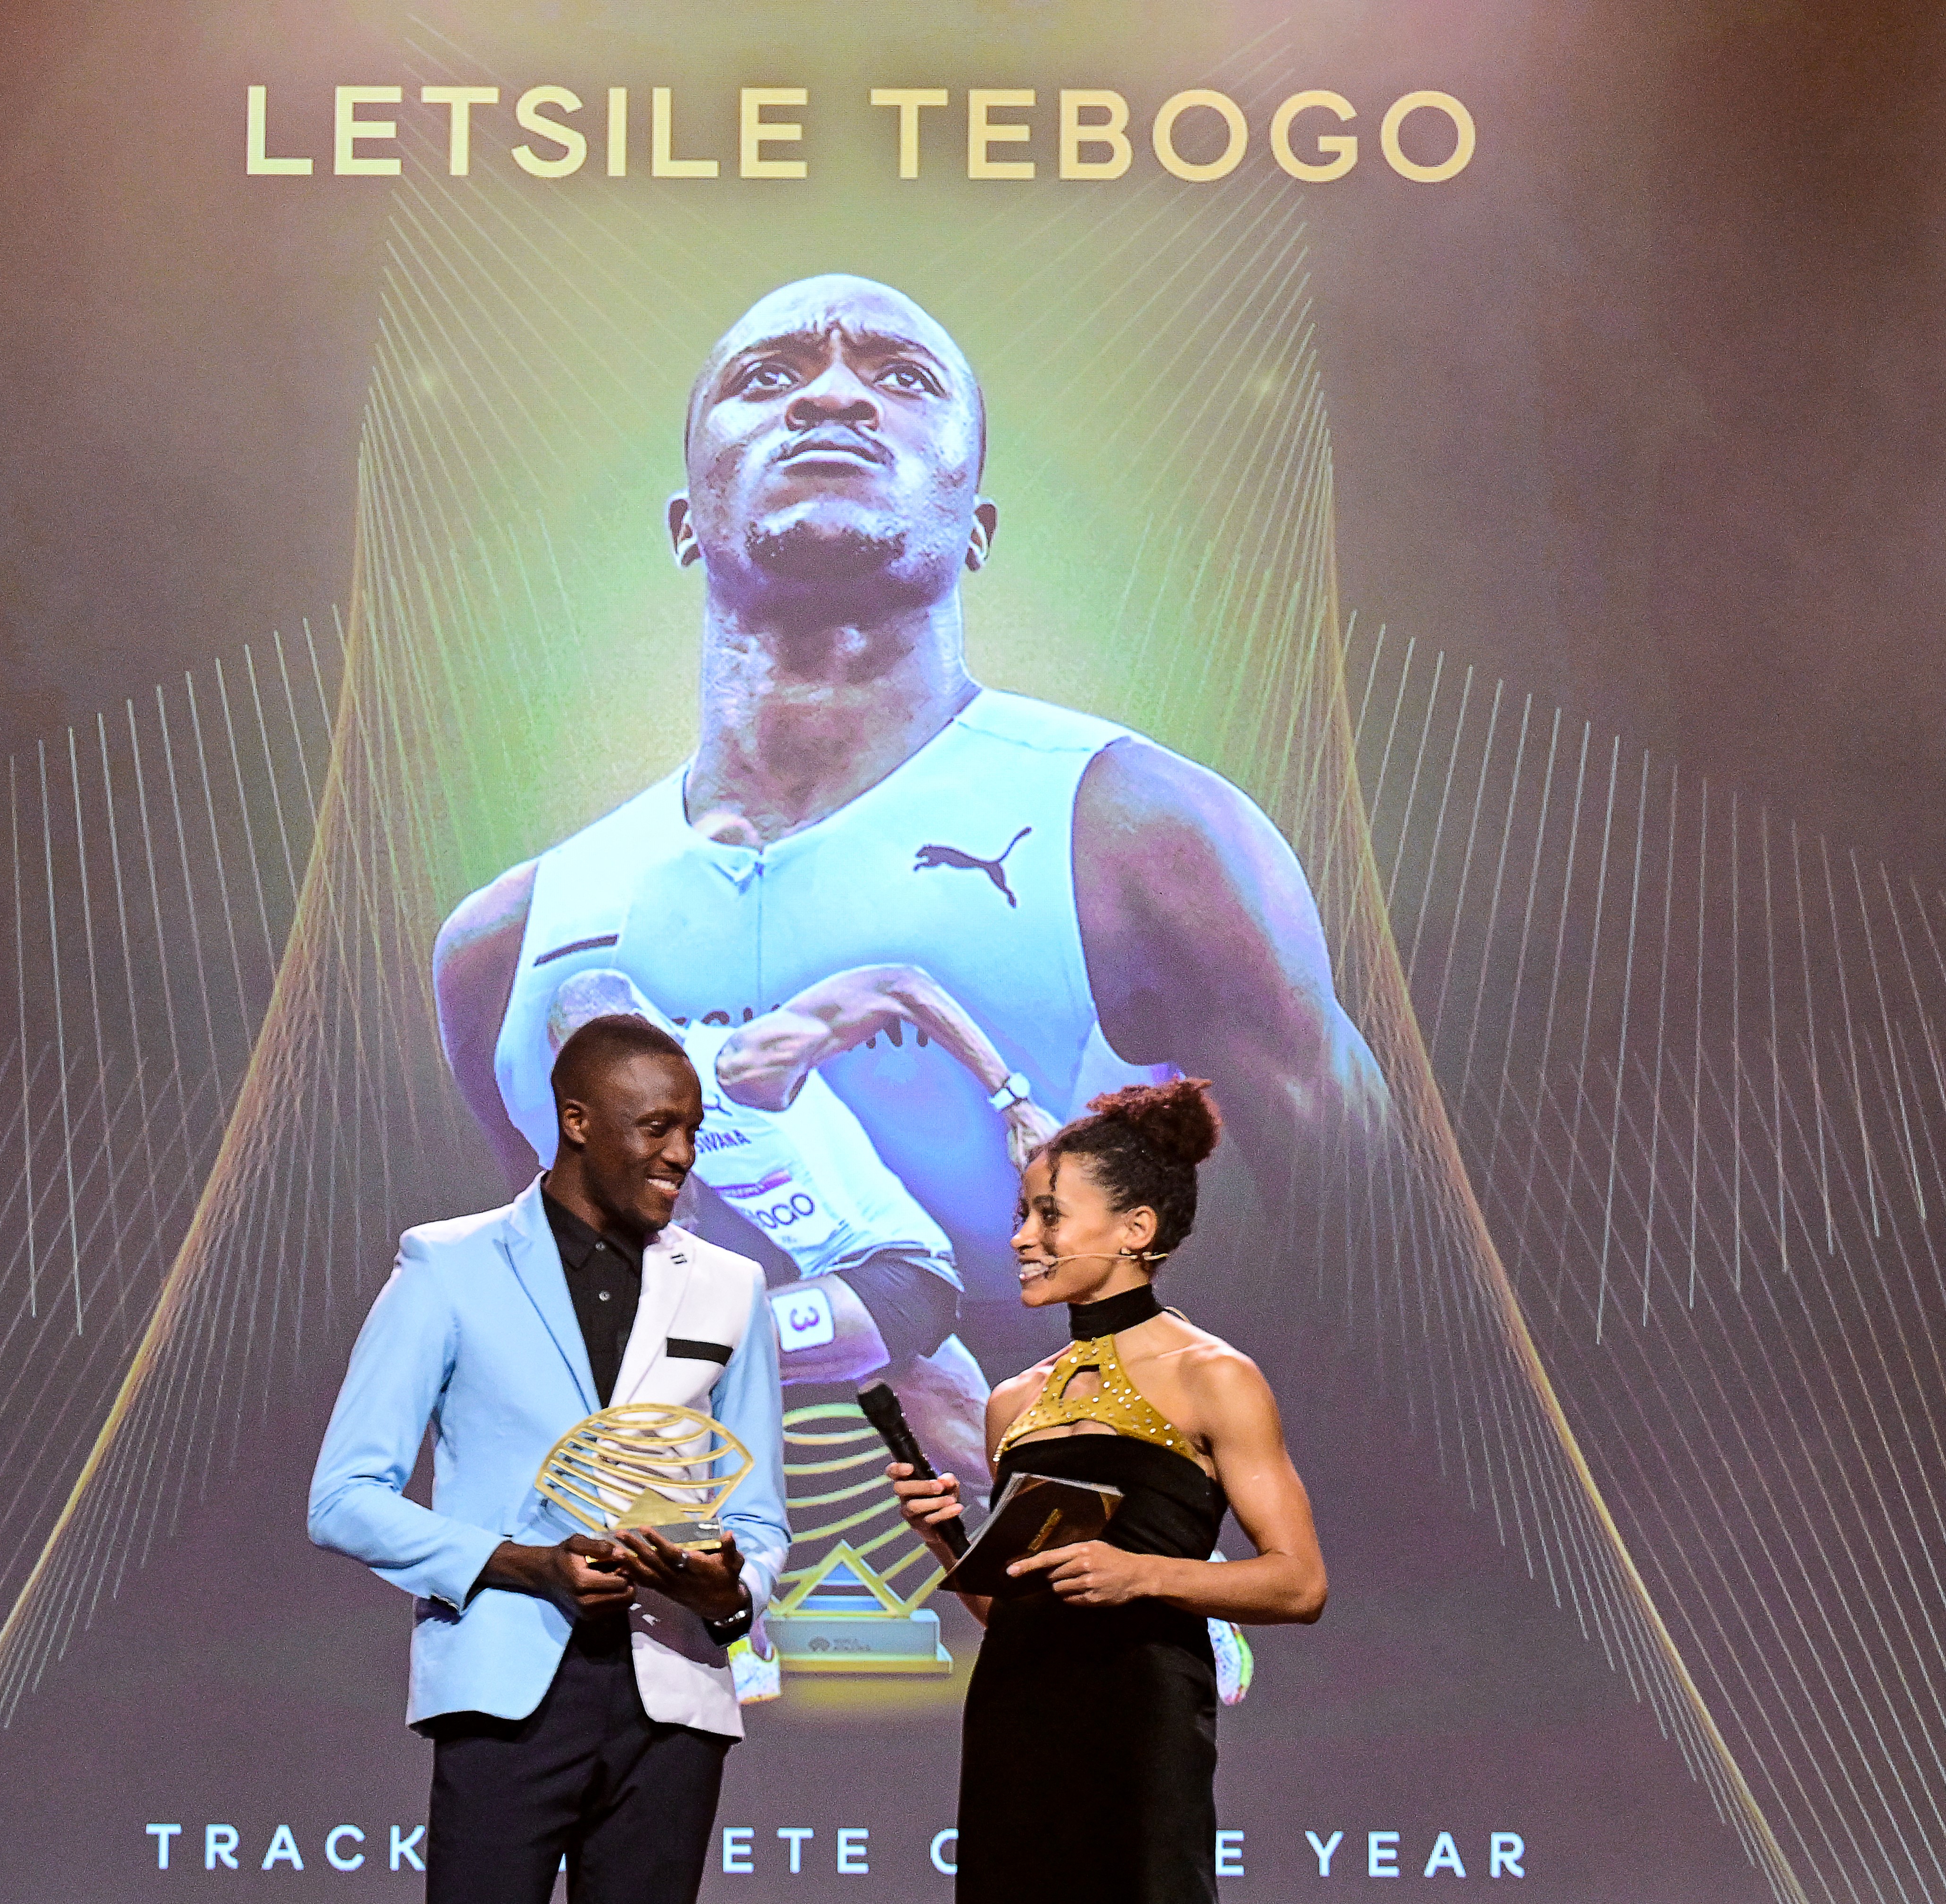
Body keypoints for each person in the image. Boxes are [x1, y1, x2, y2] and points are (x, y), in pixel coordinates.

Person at [434, 272, 1393, 1371]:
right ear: (685, 524)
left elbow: (1402, 1284)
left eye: (901, 377)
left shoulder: (1144, 835)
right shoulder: (503, 942)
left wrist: (1012, 1104)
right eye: (769, 375)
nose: (831, 397)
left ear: (976, 529)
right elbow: (558, 1329)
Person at [308, 1014, 788, 1904]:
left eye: (692, 1129)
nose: (682, 1154)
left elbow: (760, 1519)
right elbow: (343, 1498)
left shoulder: (732, 1286)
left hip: (672, 1694)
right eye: (656, 1127)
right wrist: (526, 1564)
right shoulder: (448, 1266)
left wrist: (732, 1590)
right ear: (577, 1120)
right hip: (506, 1691)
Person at [892, 1079, 1327, 1904]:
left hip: (1141, 1717)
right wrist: (946, 1542)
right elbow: (1012, 1612)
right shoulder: (1012, 1402)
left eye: (1049, 1215)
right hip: (1015, 1717)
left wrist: (1141, 1574)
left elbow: (1298, 1582)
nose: (1022, 1237)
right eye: (1021, 1214)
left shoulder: (1213, 1375)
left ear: (1136, 1228)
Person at [548, 961, 1059, 1490]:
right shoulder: (668, 1129)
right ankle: (1066, 1512)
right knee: (997, 1473)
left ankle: (644, 1513)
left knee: (692, 1346)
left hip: (898, 1274)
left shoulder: (738, 1065)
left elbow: (899, 984)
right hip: (851, 1301)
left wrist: (1015, 1104)